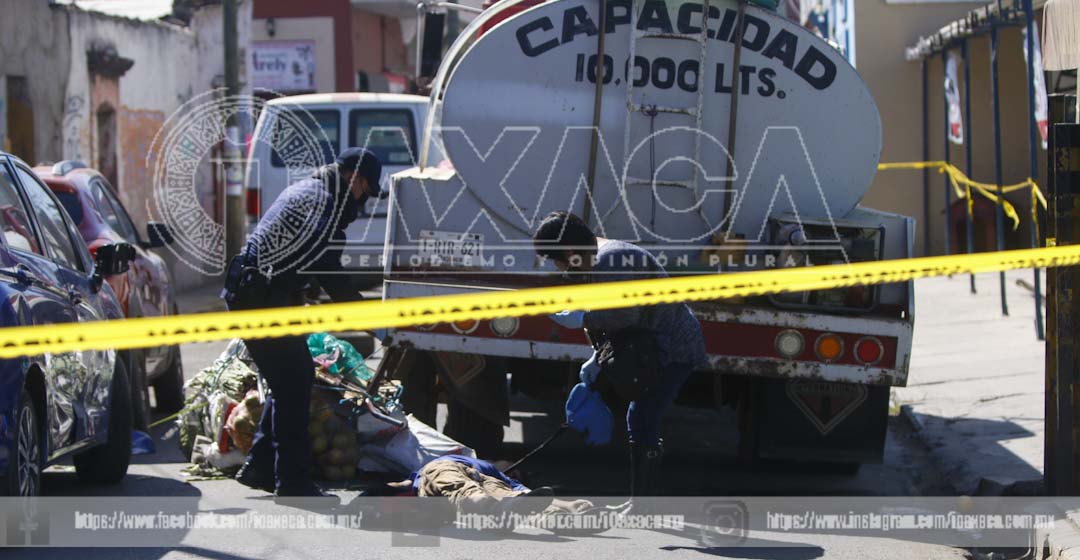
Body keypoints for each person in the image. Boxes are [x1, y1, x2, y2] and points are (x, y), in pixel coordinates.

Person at [222, 147, 382, 500]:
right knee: (294, 380)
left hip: (258, 296)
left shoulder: (311, 189)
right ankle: (293, 483)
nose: (362, 203)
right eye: (364, 192)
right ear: (354, 178)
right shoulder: (323, 200)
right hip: (261, 300)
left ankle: (261, 467)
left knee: (288, 380)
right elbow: (328, 270)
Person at [532, 211, 707, 496]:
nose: (560, 268)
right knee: (641, 417)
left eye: (557, 259)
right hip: (653, 347)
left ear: (569, 250)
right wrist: (596, 355)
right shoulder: (597, 258)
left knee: (641, 417)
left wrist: (581, 319)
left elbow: (624, 313)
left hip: (673, 348)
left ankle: (642, 504)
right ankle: (641, 501)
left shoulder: (609, 260)